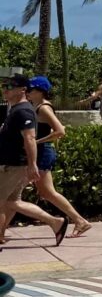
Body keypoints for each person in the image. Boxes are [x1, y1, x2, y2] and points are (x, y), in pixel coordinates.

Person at [0, 74, 66, 247]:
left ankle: (63, 221)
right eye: (4, 87)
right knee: (12, 202)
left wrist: (32, 164)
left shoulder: (24, 111)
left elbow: (30, 139)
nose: (5, 90)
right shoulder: (17, 109)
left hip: (14, 165)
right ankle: (55, 222)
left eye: (10, 87)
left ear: (22, 90)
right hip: (13, 163)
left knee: (6, 201)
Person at [25, 77, 86, 238]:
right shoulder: (37, 106)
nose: (27, 92)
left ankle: (79, 221)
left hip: (43, 152)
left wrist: (36, 141)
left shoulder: (44, 108)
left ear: (40, 91)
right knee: (43, 193)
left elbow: (60, 131)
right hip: (41, 152)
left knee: (47, 193)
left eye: (30, 90)